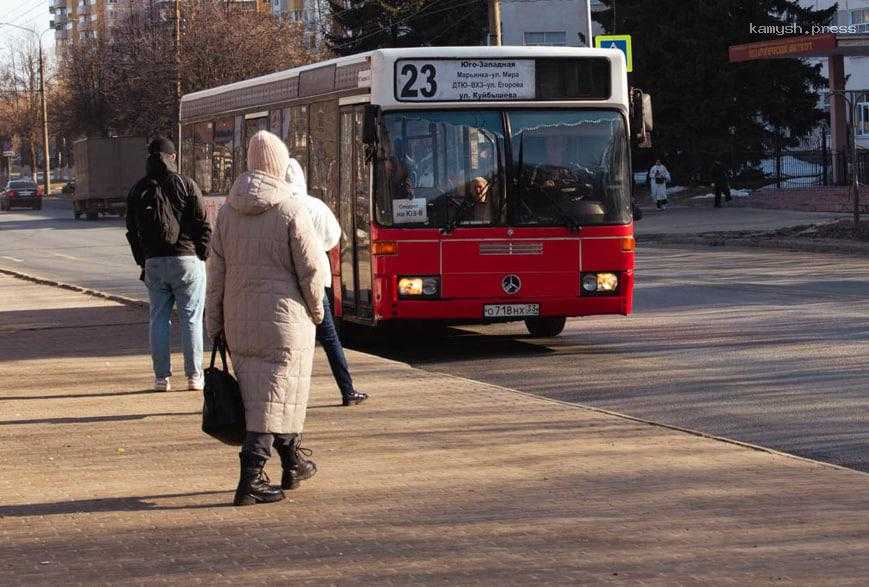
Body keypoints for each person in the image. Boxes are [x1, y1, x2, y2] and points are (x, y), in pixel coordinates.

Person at [205, 131, 327, 507]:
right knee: (274, 395)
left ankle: (293, 462)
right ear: (279, 165)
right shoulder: (291, 210)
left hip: (240, 320)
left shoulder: (227, 213)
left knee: (267, 394)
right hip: (284, 320)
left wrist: (214, 322)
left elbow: (215, 274)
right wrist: (317, 309)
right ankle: (251, 478)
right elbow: (311, 269)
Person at [126, 136, 211, 393]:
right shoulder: (186, 184)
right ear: (172, 157)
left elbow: (132, 230)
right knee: (191, 319)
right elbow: (203, 223)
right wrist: (202, 254)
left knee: (158, 320)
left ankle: (161, 378)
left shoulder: (139, 189)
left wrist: (143, 260)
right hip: (187, 260)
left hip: (154, 262)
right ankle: (194, 376)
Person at [285, 158, 368, 407]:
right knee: (330, 338)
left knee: (286, 341)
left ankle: (285, 396)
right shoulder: (314, 206)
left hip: (284, 282)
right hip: (314, 280)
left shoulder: (276, 207)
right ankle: (347, 390)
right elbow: (333, 236)